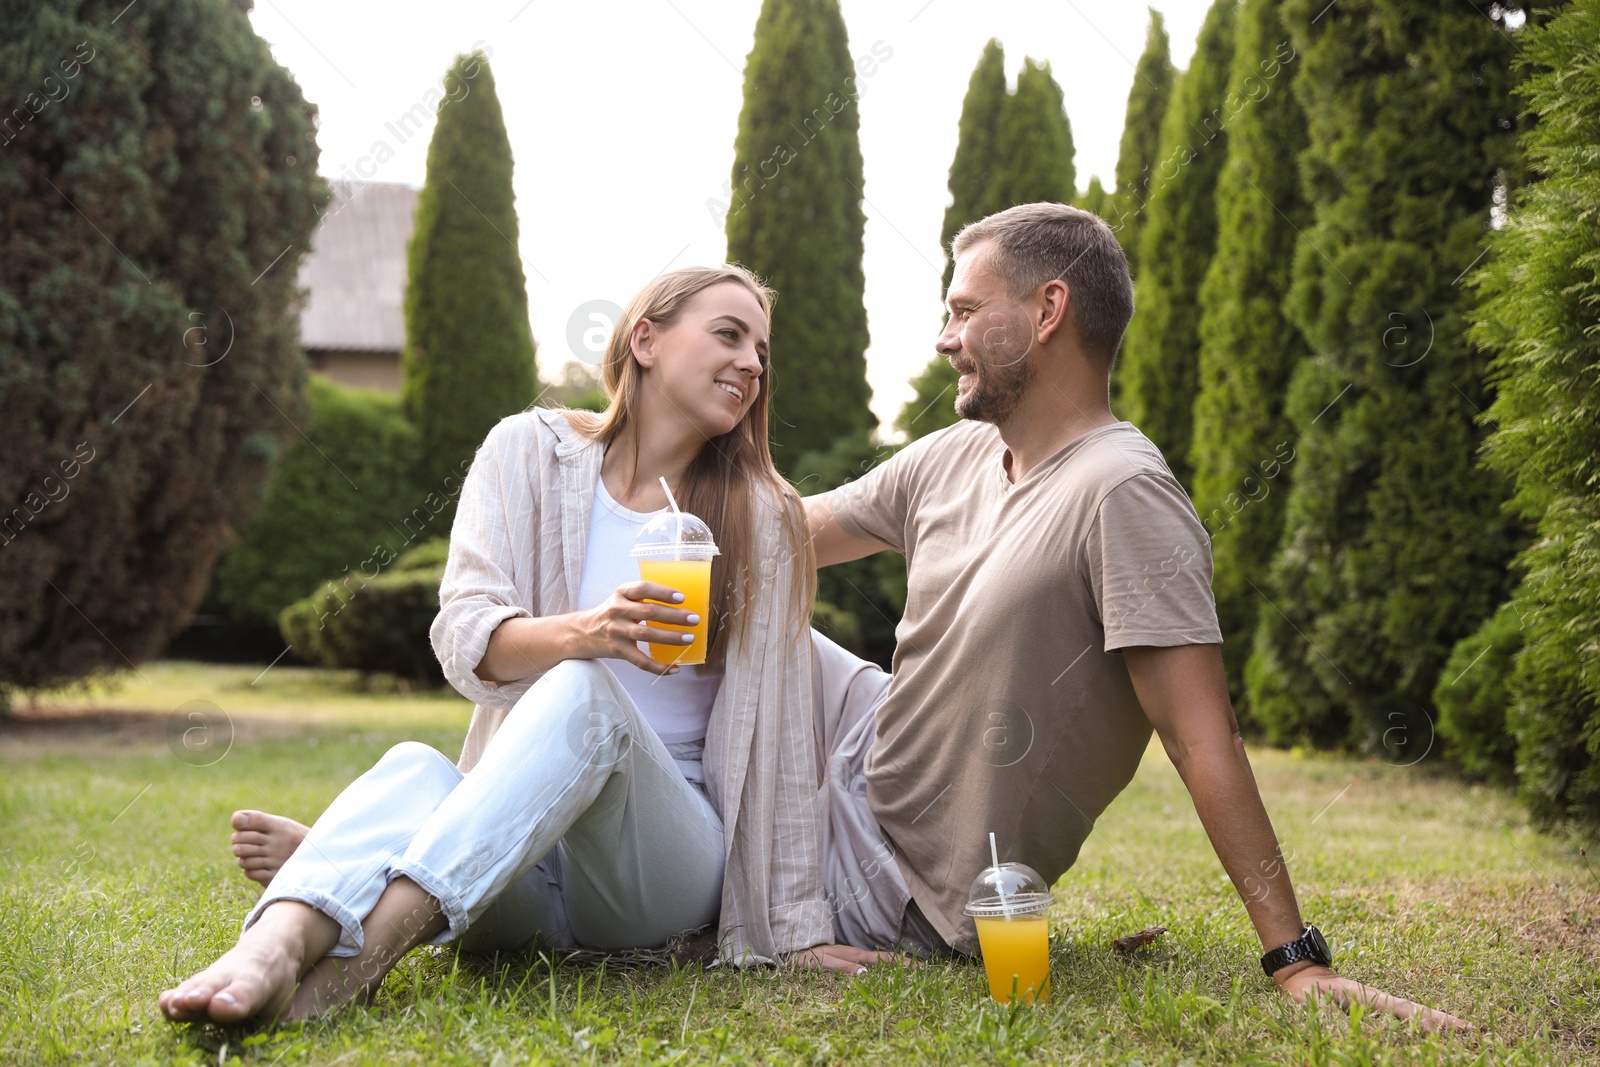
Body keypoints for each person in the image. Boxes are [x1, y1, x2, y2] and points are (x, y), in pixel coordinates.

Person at [804, 203, 1471, 1030]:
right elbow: (790, 534)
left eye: (966, 311)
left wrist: (1295, 961)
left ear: (1047, 312)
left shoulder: (1123, 494)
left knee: (650, 814)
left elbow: (1202, 737)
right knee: (736, 607)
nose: (947, 337)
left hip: (890, 877)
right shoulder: (963, 450)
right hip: (857, 750)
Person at [161, 264, 867, 1026]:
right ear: (646, 339)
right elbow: (466, 632)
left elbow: (787, 739)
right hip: (518, 854)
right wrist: (588, 630)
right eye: (729, 334)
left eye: (762, 350)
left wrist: (795, 930)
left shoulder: (765, 515)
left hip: (658, 866)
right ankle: (275, 941)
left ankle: (355, 957)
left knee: (582, 692)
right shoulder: (527, 453)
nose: (753, 363)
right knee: (414, 767)